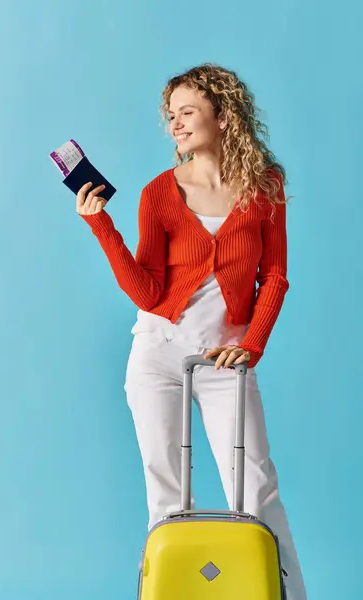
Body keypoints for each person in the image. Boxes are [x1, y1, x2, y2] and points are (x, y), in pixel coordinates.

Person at [76, 62, 307, 600]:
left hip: (226, 359)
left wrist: (251, 345)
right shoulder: (158, 193)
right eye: (171, 115)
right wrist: (100, 226)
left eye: (188, 112)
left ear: (223, 117)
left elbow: (275, 276)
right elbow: (148, 293)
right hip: (158, 354)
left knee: (255, 489)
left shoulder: (263, 186)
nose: (176, 124)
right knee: (167, 493)